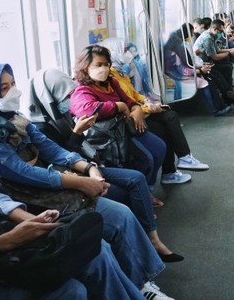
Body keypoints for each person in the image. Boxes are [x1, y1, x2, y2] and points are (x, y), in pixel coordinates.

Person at [0, 65, 174, 299]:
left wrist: (88, 168)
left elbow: (50, 148)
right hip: (28, 198)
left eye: (13, 84)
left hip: (53, 184)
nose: (13, 92)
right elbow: (22, 172)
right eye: (4, 88)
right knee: (99, 246)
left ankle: (142, 283)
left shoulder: (13, 117)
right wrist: (80, 182)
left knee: (121, 214)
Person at [27, 67, 188, 262]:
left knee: (137, 176)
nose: (69, 101)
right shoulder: (41, 128)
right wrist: (77, 134)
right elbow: (64, 158)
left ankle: (152, 237)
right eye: (64, 97)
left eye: (71, 94)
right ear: (50, 98)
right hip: (72, 176)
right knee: (125, 191)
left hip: (88, 165)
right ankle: (143, 238)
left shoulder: (63, 116)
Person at [100, 38, 210, 180]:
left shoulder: (121, 73)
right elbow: (124, 104)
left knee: (170, 115)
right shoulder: (112, 76)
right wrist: (148, 108)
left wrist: (146, 101)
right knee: (165, 127)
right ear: (113, 53)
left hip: (139, 109)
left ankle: (181, 160)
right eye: (125, 50)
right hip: (129, 119)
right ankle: (171, 170)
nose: (128, 53)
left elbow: (133, 94)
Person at [68, 45, 168, 190]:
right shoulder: (81, 89)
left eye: (106, 64)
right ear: (85, 67)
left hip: (123, 127)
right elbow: (87, 109)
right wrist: (118, 106)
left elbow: (128, 100)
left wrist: (136, 108)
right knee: (147, 158)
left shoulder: (111, 82)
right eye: (98, 65)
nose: (104, 68)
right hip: (107, 137)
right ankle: (142, 191)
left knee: (160, 147)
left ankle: (148, 187)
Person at [193, 19, 234, 92]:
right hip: (203, 63)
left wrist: (231, 49)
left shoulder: (212, 35)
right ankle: (228, 91)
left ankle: (229, 89)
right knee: (227, 67)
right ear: (215, 29)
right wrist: (230, 52)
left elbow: (218, 50)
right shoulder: (207, 38)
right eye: (221, 31)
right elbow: (215, 57)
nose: (222, 33)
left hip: (208, 59)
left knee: (228, 63)